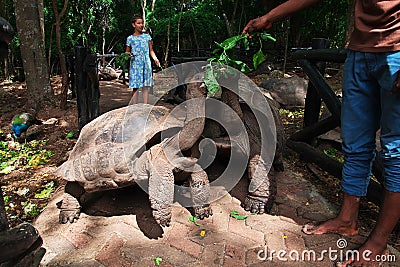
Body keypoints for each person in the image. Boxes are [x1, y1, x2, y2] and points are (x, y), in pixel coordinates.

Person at [243, 1, 400, 266]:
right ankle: (347, 220)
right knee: (355, 143)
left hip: (396, 54)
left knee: (395, 152)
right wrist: (269, 17)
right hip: (359, 52)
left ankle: (379, 240)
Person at [125, 14, 160, 104]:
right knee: (135, 87)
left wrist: (155, 59)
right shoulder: (130, 39)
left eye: (142, 23)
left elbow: (151, 50)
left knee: (145, 87)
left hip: (146, 63)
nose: (141, 25)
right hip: (135, 64)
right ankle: (134, 106)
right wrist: (128, 55)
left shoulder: (147, 37)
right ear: (134, 25)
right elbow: (127, 52)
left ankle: (145, 106)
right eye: (139, 23)